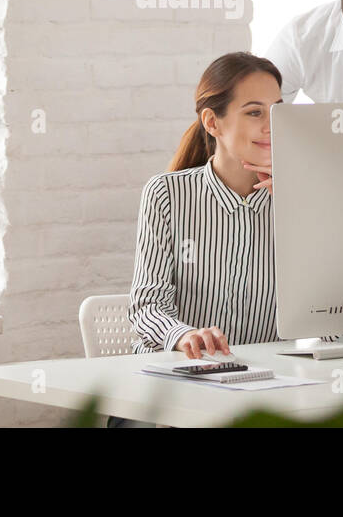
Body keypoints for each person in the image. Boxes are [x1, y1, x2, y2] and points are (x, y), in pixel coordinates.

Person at [112, 53, 282, 427]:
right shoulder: (166, 195)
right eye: (255, 112)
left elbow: (329, 317)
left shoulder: (302, 199)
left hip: (262, 390)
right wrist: (184, 334)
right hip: (167, 389)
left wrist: (301, 213)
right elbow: (146, 306)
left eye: (278, 110)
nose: (272, 125)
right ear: (212, 122)